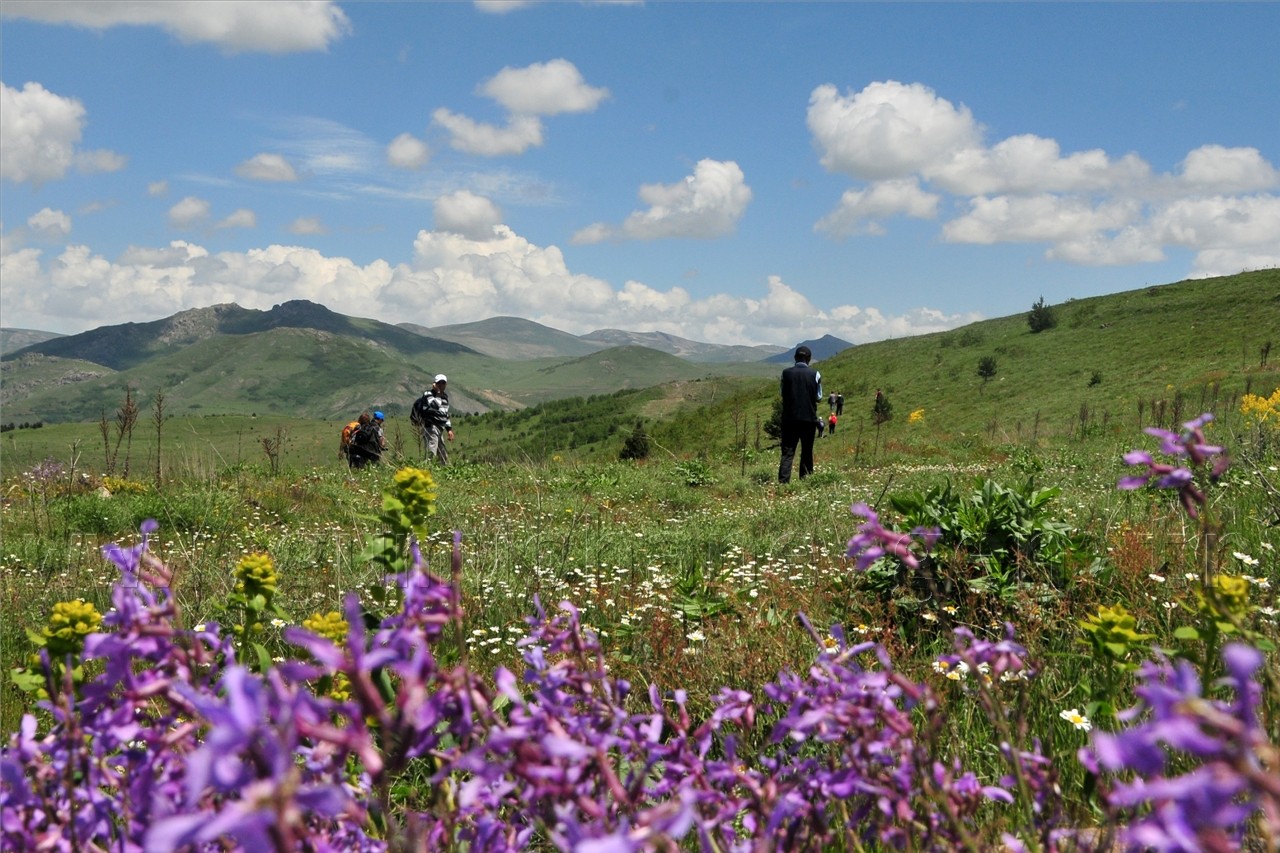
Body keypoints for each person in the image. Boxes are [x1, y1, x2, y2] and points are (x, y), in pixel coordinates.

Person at [778, 345, 822, 484]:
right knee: (806, 451)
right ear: (809, 359)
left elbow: (782, 393)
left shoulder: (786, 373)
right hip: (808, 419)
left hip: (789, 419)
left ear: (795, 358)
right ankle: (806, 480)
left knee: (788, 452)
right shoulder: (815, 374)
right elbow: (819, 396)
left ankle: (783, 483)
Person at [411, 374, 454, 465]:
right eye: (439, 383)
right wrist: (438, 392)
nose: (441, 385)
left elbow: (445, 414)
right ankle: (427, 471)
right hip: (431, 427)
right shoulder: (428, 394)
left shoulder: (445, 398)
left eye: (443, 383)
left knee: (443, 454)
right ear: (434, 384)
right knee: (431, 453)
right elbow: (435, 405)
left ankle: (446, 472)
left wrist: (449, 429)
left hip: (440, 428)